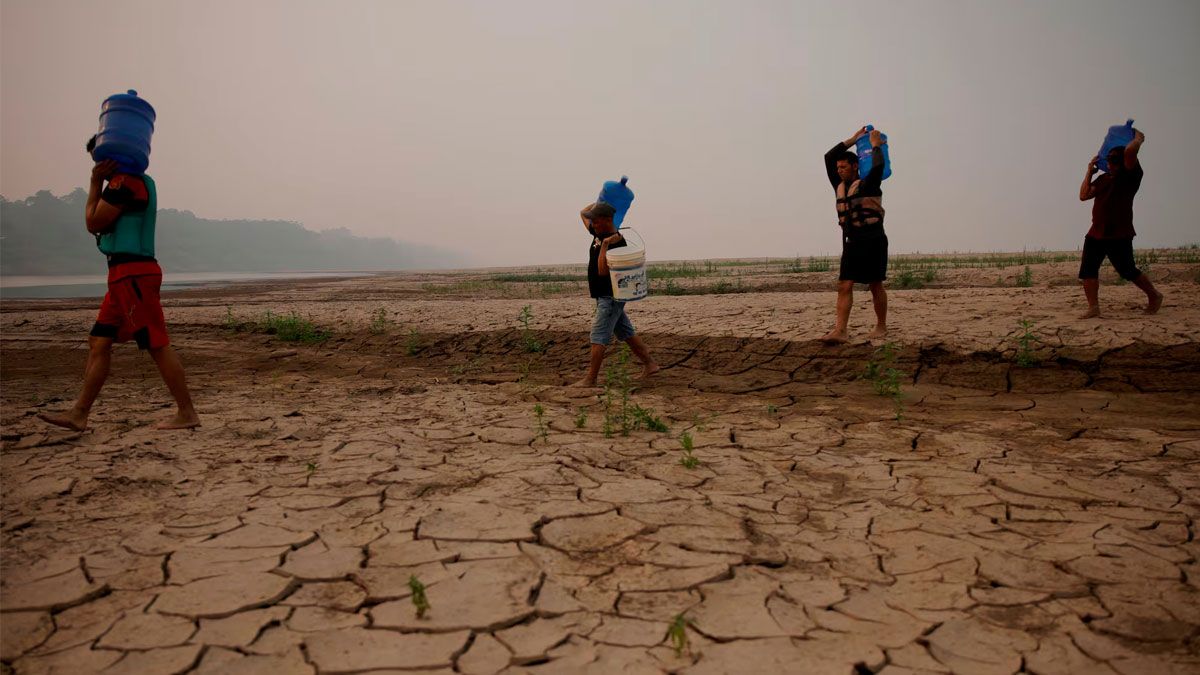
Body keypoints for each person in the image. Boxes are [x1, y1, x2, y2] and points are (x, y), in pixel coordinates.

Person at [38, 136, 200, 431]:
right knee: (99, 341)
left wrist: (93, 183)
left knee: (156, 343)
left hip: (134, 275)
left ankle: (187, 412)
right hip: (121, 276)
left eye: (100, 161)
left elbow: (94, 222)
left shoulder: (125, 183)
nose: (99, 167)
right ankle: (79, 414)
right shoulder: (135, 181)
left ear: (114, 155)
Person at [571, 201, 659, 387]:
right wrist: (602, 199)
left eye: (595, 220)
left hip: (610, 297)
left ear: (607, 220)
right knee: (626, 332)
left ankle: (590, 379)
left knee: (598, 336)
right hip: (604, 297)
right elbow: (583, 213)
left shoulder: (617, 242)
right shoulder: (598, 231)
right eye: (592, 221)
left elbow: (603, 271)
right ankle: (650, 365)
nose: (591, 224)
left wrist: (604, 246)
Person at [1077, 128, 1163, 318]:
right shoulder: (1103, 179)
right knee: (1088, 270)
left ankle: (1154, 296)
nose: (1112, 163)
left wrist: (1139, 139)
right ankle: (1093, 308)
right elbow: (1083, 195)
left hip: (1119, 234)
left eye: (1116, 159)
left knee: (1128, 271)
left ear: (1123, 161)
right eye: (1110, 159)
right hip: (1096, 232)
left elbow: (1131, 152)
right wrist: (1089, 172)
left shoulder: (1130, 177)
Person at [820, 126, 889, 344]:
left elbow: (878, 166)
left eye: (844, 167)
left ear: (855, 166)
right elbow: (828, 157)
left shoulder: (869, 182)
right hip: (852, 242)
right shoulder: (839, 185)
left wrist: (875, 145)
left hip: (874, 240)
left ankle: (881, 326)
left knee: (875, 284)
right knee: (844, 284)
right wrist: (853, 139)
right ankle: (840, 330)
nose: (839, 170)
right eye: (838, 167)